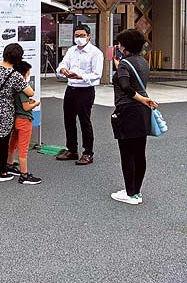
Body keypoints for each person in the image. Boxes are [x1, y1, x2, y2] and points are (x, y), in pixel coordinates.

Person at [110, 29, 158, 205]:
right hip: (142, 112)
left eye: (120, 43)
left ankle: (129, 193)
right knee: (139, 152)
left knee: (127, 153)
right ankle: (136, 191)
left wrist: (141, 98)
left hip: (127, 111)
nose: (119, 46)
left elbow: (125, 87)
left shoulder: (124, 64)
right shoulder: (142, 62)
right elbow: (134, 80)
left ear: (125, 45)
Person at [0, 43, 35, 182]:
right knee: (3, 141)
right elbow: (30, 92)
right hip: (5, 110)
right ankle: (2, 173)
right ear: (18, 58)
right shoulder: (15, 75)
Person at [55, 24, 103, 165]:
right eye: (77, 36)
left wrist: (80, 76)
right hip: (71, 89)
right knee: (68, 121)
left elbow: (96, 74)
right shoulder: (71, 50)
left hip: (85, 90)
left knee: (84, 121)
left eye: (82, 35)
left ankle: (88, 152)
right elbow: (61, 65)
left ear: (89, 36)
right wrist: (63, 70)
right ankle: (72, 150)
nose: (79, 38)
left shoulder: (96, 53)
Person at [6, 61, 42, 185]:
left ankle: (9, 164)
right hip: (24, 120)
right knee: (23, 148)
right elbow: (26, 107)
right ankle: (24, 174)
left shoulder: (14, 87)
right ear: (24, 74)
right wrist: (35, 104)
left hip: (15, 119)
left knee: (13, 143)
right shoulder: (24, 89)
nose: (28, 75)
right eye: (28, 73)